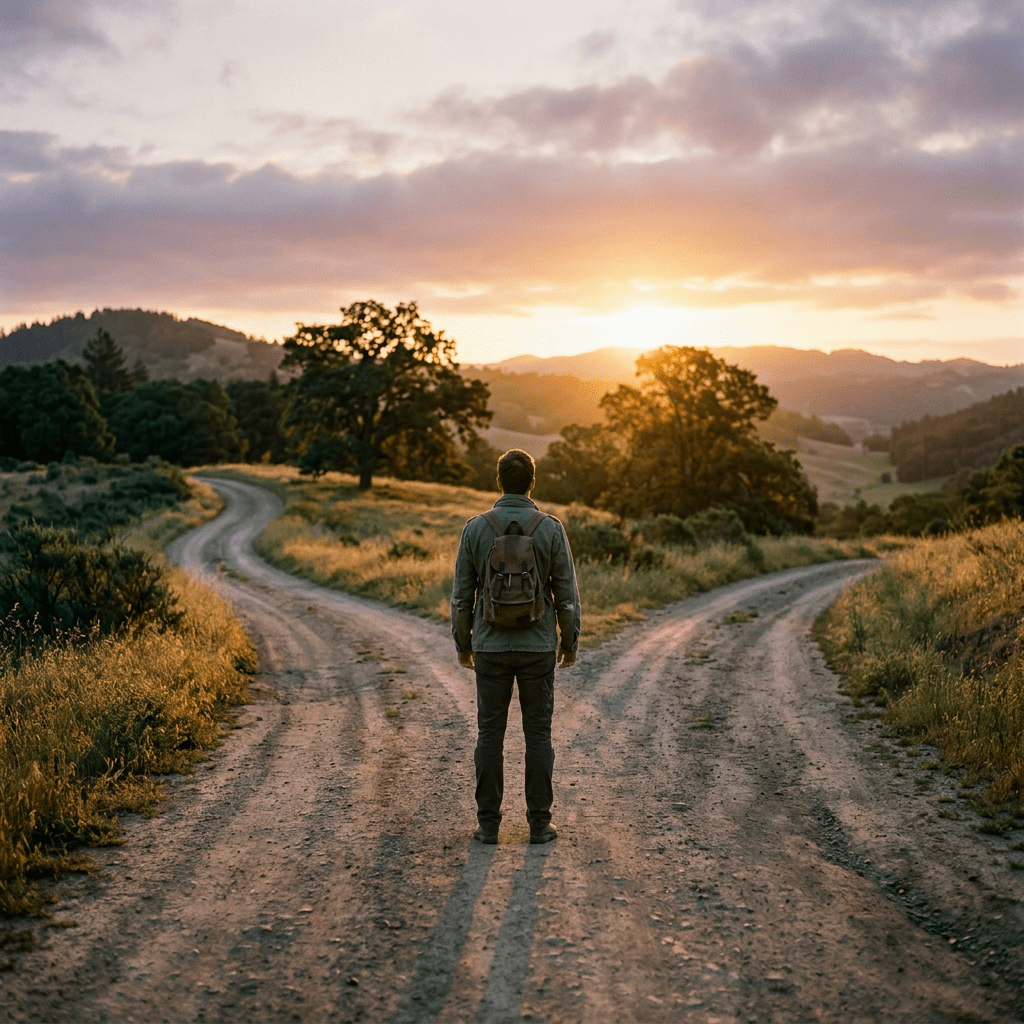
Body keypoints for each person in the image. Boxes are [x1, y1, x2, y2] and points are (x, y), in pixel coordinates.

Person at [451, 448, 580, 845]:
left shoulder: (475, 528)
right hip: (537, 648)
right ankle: (539, 825)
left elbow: (461, 597)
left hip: (489, 647)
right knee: (538, 736)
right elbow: (567, 595)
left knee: (489, 735)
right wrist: (569, 641)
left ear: (499, 481)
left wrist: (463, 644)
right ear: (532, 483)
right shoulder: (551, 528)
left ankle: (488, 825)